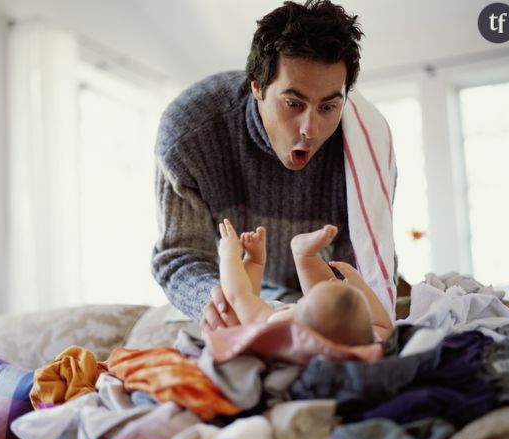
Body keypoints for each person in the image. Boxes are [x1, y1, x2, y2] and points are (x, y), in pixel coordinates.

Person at [151, 0, 397, 332]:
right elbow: (180, 253)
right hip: (236, 285)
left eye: (328, 106)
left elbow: (358, 264)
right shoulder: (189, 132)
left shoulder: (366, 147)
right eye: (293, 104)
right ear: (257, 86)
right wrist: (215, 301)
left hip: (316, 291)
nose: (310, 128)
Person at [218, 219, 394, 344]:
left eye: (301, 302)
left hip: (245, 331)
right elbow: (383, 328)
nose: (298, 301)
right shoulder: (356, 343)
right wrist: (360, 288)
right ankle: (305, 255)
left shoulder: (284, 327)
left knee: (236, 314)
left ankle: (304, 256)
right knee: (327, 302)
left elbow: (238, 295)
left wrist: (229, 254)